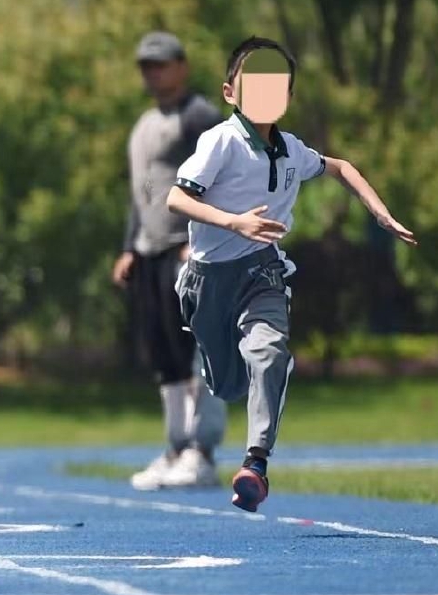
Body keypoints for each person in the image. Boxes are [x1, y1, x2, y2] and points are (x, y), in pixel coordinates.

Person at [166, 37, 416, 513]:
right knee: (227, 385)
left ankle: (255, 465)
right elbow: (176, 198)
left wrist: (380, 212)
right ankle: (224, 374)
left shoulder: (292, 151)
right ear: (229, 92)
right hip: (207, 279)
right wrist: (233, 221)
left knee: (269, 352)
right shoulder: (219, 142)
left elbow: (339, 166)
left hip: (261, 269)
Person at [113, 31, 228, 491]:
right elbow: (142, 192)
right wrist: (128, 246)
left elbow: (226, 178)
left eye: (161, 64)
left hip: (190, 249)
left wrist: (203, 238)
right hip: (150, 251)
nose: (153, 72)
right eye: (145, 65)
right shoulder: (144, 124)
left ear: (182, 66)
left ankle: (203, 451)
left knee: (199, 351)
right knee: (165, 355)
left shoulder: (199, 117)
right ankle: (176, 447)